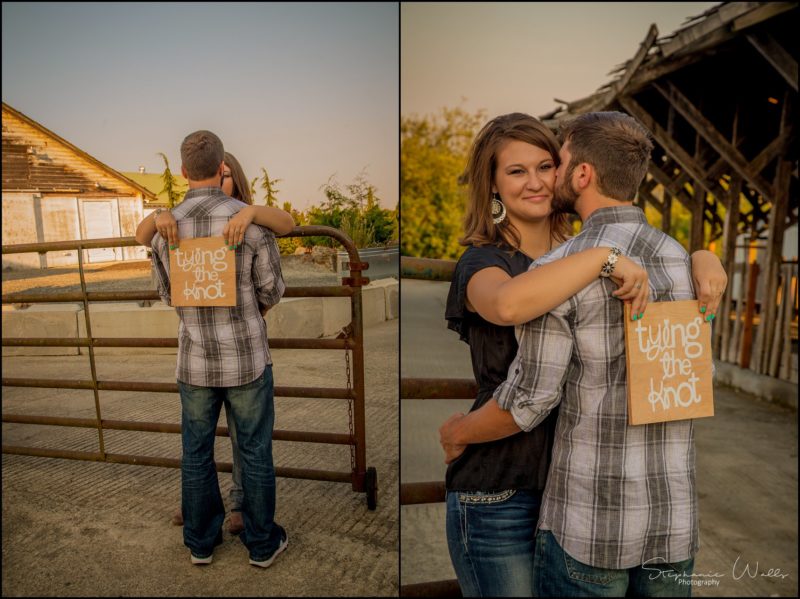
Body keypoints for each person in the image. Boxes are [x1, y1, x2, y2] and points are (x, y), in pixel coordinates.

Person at [439, 113, 727, 597]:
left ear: (573, 172)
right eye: (516, 171)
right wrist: (602, 259)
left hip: (577, 500)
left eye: (547, 165)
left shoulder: (598, 253)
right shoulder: (485, 263)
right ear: (491, 185)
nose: (536, 182)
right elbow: (509, 304)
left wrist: (702, 258)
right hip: (503, 489)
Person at [136, 152, 294, 536]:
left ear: (185, 172)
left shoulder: (234, 222)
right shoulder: (244, 229)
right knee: (253, 446)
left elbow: (165, 291)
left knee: (200, 448)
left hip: (196, 359)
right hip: (244, 355)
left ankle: (203, 535)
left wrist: (250, 211)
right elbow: (272, 289)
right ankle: (256, 537)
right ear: (216, 172)